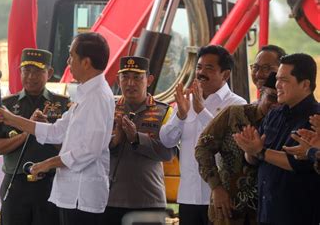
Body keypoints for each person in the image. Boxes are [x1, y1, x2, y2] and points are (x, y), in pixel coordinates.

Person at [0, 32, 115, 225]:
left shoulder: (97, 97)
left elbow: (89, 150)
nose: (68, 62)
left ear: (86, 62)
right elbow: (56, 131)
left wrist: (47, 164)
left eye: (72, 56)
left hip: (82, 197)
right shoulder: (86, 93)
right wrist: (11, 119)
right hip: (70, 194)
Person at [160, 45, 246, 225]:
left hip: (220, 197)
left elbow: (233, 145)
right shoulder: (186, 102)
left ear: (225, 75)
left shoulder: (237, 105)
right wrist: (180, 116)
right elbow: (166, 140)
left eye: (209, 68)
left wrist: (201, 112)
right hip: (188, 197)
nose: (201, 73)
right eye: (199, 67)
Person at [0, 48, 70, 225]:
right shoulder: (7, 105)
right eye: (27, 71)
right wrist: (27, 133)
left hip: (50, 184)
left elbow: (72, 150)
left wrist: (48, 130)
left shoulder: (63, 104)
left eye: (38, 71)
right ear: (20, 72)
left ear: (50, 72)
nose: (31, 76)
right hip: (15, 184)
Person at [233, 53, 320, 225]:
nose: (277, 85)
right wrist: (251, 150)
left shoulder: (315, 118)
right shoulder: (275, 113)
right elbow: (254, 158)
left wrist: (261, 151)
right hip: (267, 211)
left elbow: (299, 162)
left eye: (284, 80)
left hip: (299, 215)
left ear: (305, 84)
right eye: (278, 79)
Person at [195, 72, 279, 225]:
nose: (276, 104)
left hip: (266, 209)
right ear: (261, 93)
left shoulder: (284, 124)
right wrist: (216, 187)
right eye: (272, 97)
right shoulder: (233, 114)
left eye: (281, 99)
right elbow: (203, 147)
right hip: (227, 206)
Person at [103, 56, 175, 225]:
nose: (130, 83)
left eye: (137, 77)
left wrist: (137, 138)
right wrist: (115, 141)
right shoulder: (107, 109)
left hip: (148, 200)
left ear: (149, 80)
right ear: (117, 79)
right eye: (125, 77)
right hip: (109, 199)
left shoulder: (164, 111)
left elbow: (167, 153)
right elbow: (92, 149)